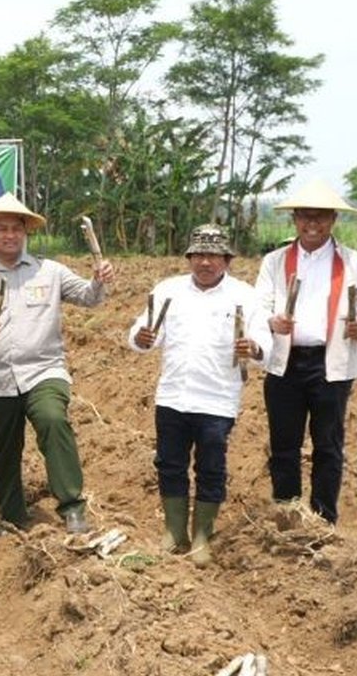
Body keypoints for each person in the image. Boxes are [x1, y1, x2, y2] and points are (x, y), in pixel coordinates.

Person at [0, 193, 114, 534]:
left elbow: (89, 297)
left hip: (44, 370)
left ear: (26, 232)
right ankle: (13, 517)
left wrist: (99, 280)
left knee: (53, 419)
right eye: (2, 229)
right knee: (4, 451)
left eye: (16, 228)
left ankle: (72, 506)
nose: (10, 235)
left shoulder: (50, 272)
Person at [128, 224, 271, 565]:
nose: (205, 262)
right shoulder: (168, 290)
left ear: (227, 260)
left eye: (214, 256)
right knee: (169, 463)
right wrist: (141, 337)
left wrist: (253, 347)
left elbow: (264, 342)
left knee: (211, 467)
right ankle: (174, 531)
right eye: (199, 255)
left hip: (217, 399)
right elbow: (142, 333)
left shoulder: (245, 296)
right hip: (173, 395)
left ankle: (202, 535)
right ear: (189, 257)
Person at [255, 179, 357, 524]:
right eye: (305, 216)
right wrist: (272, 321)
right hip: (286, 363)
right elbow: (259, 305)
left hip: (331, 364)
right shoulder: (274, 261)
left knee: (328, 445)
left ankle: (323, 520)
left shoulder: (353, 262)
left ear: (333, 220)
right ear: (294, 219)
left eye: (320, 216)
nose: (312, 223)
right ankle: (287, 515)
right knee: (284, 444)